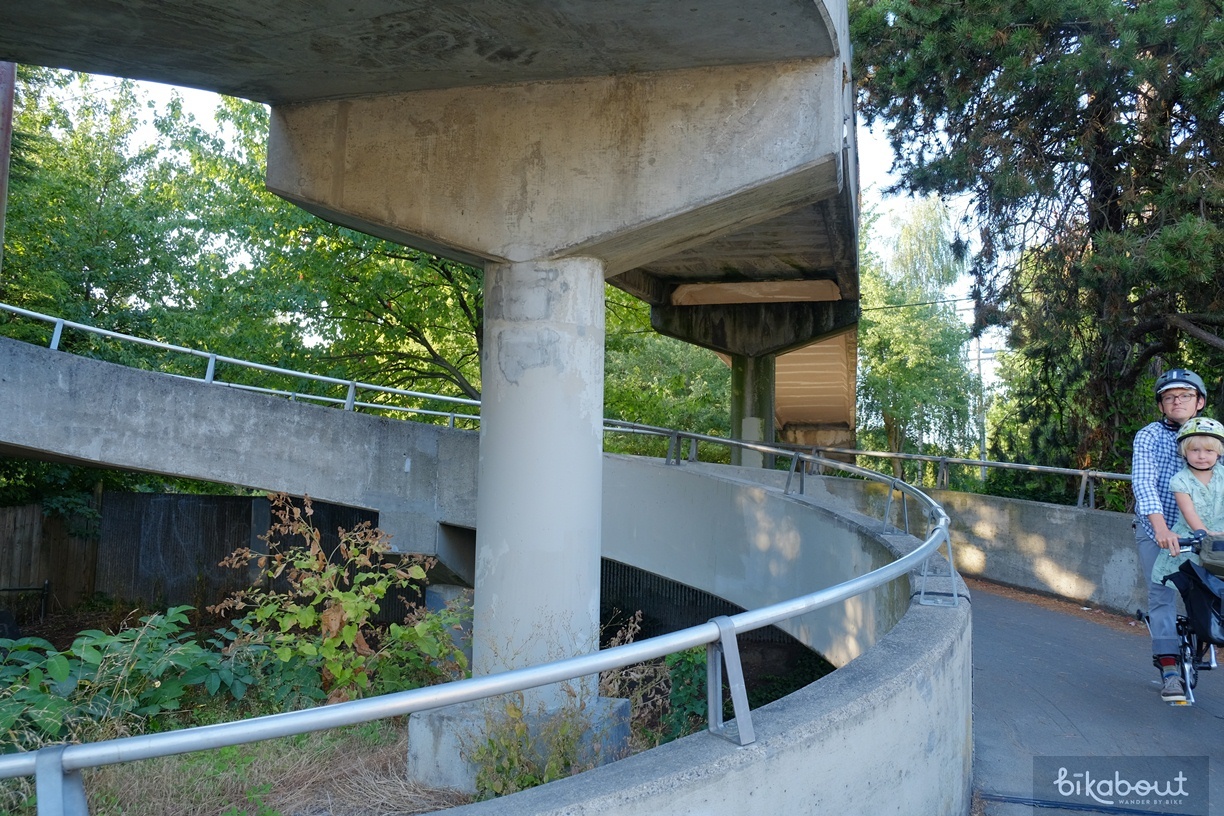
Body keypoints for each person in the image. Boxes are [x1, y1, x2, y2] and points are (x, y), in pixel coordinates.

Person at [1132, 368, 1208, 703]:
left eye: (1186, 395)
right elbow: (1144, 482)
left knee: (1209, 590)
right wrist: (1161, 529)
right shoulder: (1149, 436)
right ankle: (1170, 669)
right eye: (1169, 397)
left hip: (1204, 530)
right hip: (1157, 529)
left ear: (1199, 402)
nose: (1177, 401)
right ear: (1162, 405)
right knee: (1161, 593)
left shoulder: (1212, 436)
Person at [1150, 417, 1224, 585]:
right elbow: (1188, 511)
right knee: (1194, 587)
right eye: (1195, 450)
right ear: (1184, 451)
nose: (1202, 456)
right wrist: (1204, 534)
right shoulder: (1180, 480)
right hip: (1196, 536)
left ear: (1218, 452)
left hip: (1221, 537)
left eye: (1209, 451)